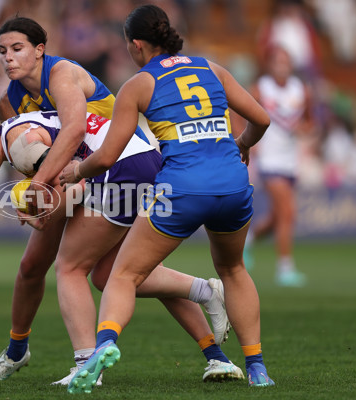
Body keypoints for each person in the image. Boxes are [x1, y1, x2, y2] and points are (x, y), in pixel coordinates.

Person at [0, 54, 244, 385]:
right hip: (143, 161)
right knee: (116, 273)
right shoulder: (17, 133)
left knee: (69, 268)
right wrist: (48, 205)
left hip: (120, 169)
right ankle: (210, 321)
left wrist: (45, 207)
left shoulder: (21, 144)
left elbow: (77, 185)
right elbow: (73, 178)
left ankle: (85, 364)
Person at [59, 5, 275, 392]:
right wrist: (241, 144)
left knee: (123, 274)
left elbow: (107, 156)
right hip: (233, 184)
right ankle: (257, 367)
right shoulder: (212, 68)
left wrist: (77, 171)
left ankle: (105, 344)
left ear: (137, 44)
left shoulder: (139, 83)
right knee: (234, 270)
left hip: (180, 190)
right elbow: (261, 119)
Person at [243, 45, 310, 287]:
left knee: (277, 217)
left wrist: (307, 129)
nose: (282, 66)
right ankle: (285, 268)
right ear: (269, 64)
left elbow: (308, 120)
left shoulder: (300, 89)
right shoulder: (261, 88)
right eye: (277, 62)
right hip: (269, 158)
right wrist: (248, 140)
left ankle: (247, 241)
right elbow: (242, 113)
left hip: (291, 159)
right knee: (288, 213)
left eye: (285, 62)